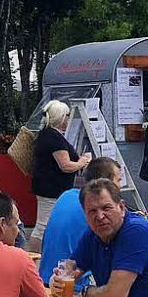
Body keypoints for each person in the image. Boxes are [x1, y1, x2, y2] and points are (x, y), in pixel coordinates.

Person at [38, 157, 122, 293]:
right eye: (118, 180)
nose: (120, 186)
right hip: (71, 287)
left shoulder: (67, 195)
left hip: (46, 279)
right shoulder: (96, 210)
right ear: (106, 183)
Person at [29, 101, 92, 253]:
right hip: (51, 189)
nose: (69, 118)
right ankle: (37, 255)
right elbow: (66, 166)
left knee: (46, 224)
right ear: (61, 117)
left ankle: (40, 254)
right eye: (67, 115)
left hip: (49, 187)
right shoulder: (54, 138)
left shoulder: (46, 134)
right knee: (43, 225)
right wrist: (82, 162)